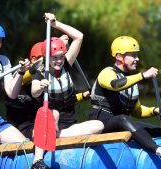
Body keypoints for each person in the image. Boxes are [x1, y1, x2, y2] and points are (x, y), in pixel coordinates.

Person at [31, 13, 104, 168]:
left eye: (61, 57)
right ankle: (37, 160)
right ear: (46, 57)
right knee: (54, 113)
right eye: (54, 58)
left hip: (69, 127)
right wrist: (40, 86)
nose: (58, 61)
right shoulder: (40, 72)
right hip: (50, 122)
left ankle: (56, 137)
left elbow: (79, 37)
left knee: (99, 125)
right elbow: (34, 92)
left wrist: (55, 24)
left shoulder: (66, 66)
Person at [88, 36, 161, 163]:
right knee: (123, 119)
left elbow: (137, 111)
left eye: (137, 55)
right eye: (133, 56)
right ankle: (158, 151)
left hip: (123, 124)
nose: (137, 59)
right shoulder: (106, 72)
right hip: (102, 123)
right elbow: (115, 84)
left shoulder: (132, 82)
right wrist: (142, 75)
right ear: (119, 57)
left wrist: (155, 110)